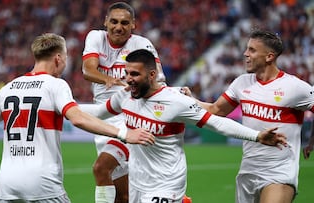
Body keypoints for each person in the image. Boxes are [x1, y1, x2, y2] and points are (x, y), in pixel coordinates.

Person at [0, 33, 156, 203]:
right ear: (59, 58)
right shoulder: (56, 85)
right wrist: (123, 133)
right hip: (43, 184)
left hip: (7, 186)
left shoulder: (8, 88)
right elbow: (77, 118)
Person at [80, 49, 287, 203]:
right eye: (127, 73)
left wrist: (257, 136)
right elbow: (98, 113)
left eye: (135, 74)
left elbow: (216, 123)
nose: (129, 80)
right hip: (137, 183)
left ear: (152, 75)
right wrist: (65, 108)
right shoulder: (125, 96)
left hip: (166, 185)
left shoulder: (175, 101)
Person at [195, 29, 314, 203]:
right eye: (246, 49)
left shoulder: (294, 87)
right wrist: (186, 100)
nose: (245, 54)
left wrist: (312, 140)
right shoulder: (242, 83)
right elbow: (215, 110)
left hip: (279, 173)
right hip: (248, 172)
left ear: (269, 57)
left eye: (252, 50)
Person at [81, 2, 166, 203]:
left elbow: (159, 79)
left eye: (125, 23)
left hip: (131, 119)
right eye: (114, 22)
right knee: (123, 195)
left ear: (133, 25)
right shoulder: (95, 37)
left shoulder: (142, 44)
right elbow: (87, 70)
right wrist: (107, 79)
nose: (119, 27)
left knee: (101, 168)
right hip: (104, 122)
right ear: (105, 22)